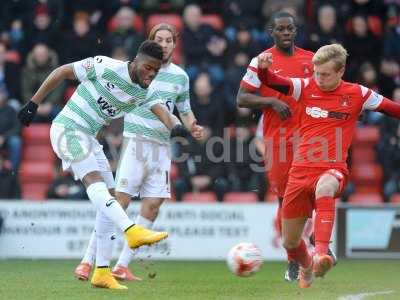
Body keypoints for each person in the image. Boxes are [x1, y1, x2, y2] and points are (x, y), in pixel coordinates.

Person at [18, 40, 190, 290]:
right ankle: (131, 230)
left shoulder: (145, 90)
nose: (151, 74)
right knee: (94, 184)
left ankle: (101, 271)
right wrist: (33, 103)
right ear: (137, 61)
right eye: (149, 68)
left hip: (88, 137)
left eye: (156, 71)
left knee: (109, 199)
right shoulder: (105, 66)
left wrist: (175, 127)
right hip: (68, 128)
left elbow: (162, 111)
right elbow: (62, 72)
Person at [256, 43, 400, 288]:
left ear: (341, 71)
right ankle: (305, 266)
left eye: (325, 74)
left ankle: (321, 252)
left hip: (332, 168)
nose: (318, 79)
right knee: (290, 242)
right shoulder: (305, 87)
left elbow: (392, 108)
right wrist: (263, 71)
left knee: (325, 187)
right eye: (316, 72)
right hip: (300, 172)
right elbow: (274, 82)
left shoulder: (359, 94)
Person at [74, 24, 204, 282]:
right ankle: (88, 260)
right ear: (151, 42)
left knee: (153, 206)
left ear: (175, 44)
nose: (165, 44)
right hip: (136, 141)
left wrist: (193, 126)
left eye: (169, 40)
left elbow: (184, 110)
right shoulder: (137, 70)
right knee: (118, 201)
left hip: (162, 147)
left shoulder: (180, 77)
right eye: (160, 39)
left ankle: (122, 265)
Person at [237, 11, 333, 282]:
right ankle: (294, 259)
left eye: (290, 28)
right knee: (285, 202)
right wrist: (271, 102)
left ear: (296, 30)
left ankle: (322, 246)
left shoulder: (311, 60)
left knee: (317, 192)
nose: (286, 33)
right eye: (280, 29)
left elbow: (324, 91)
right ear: (272, 32)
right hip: (277, 143)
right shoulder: (262, 61)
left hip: (309, 139)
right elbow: (242, 98)